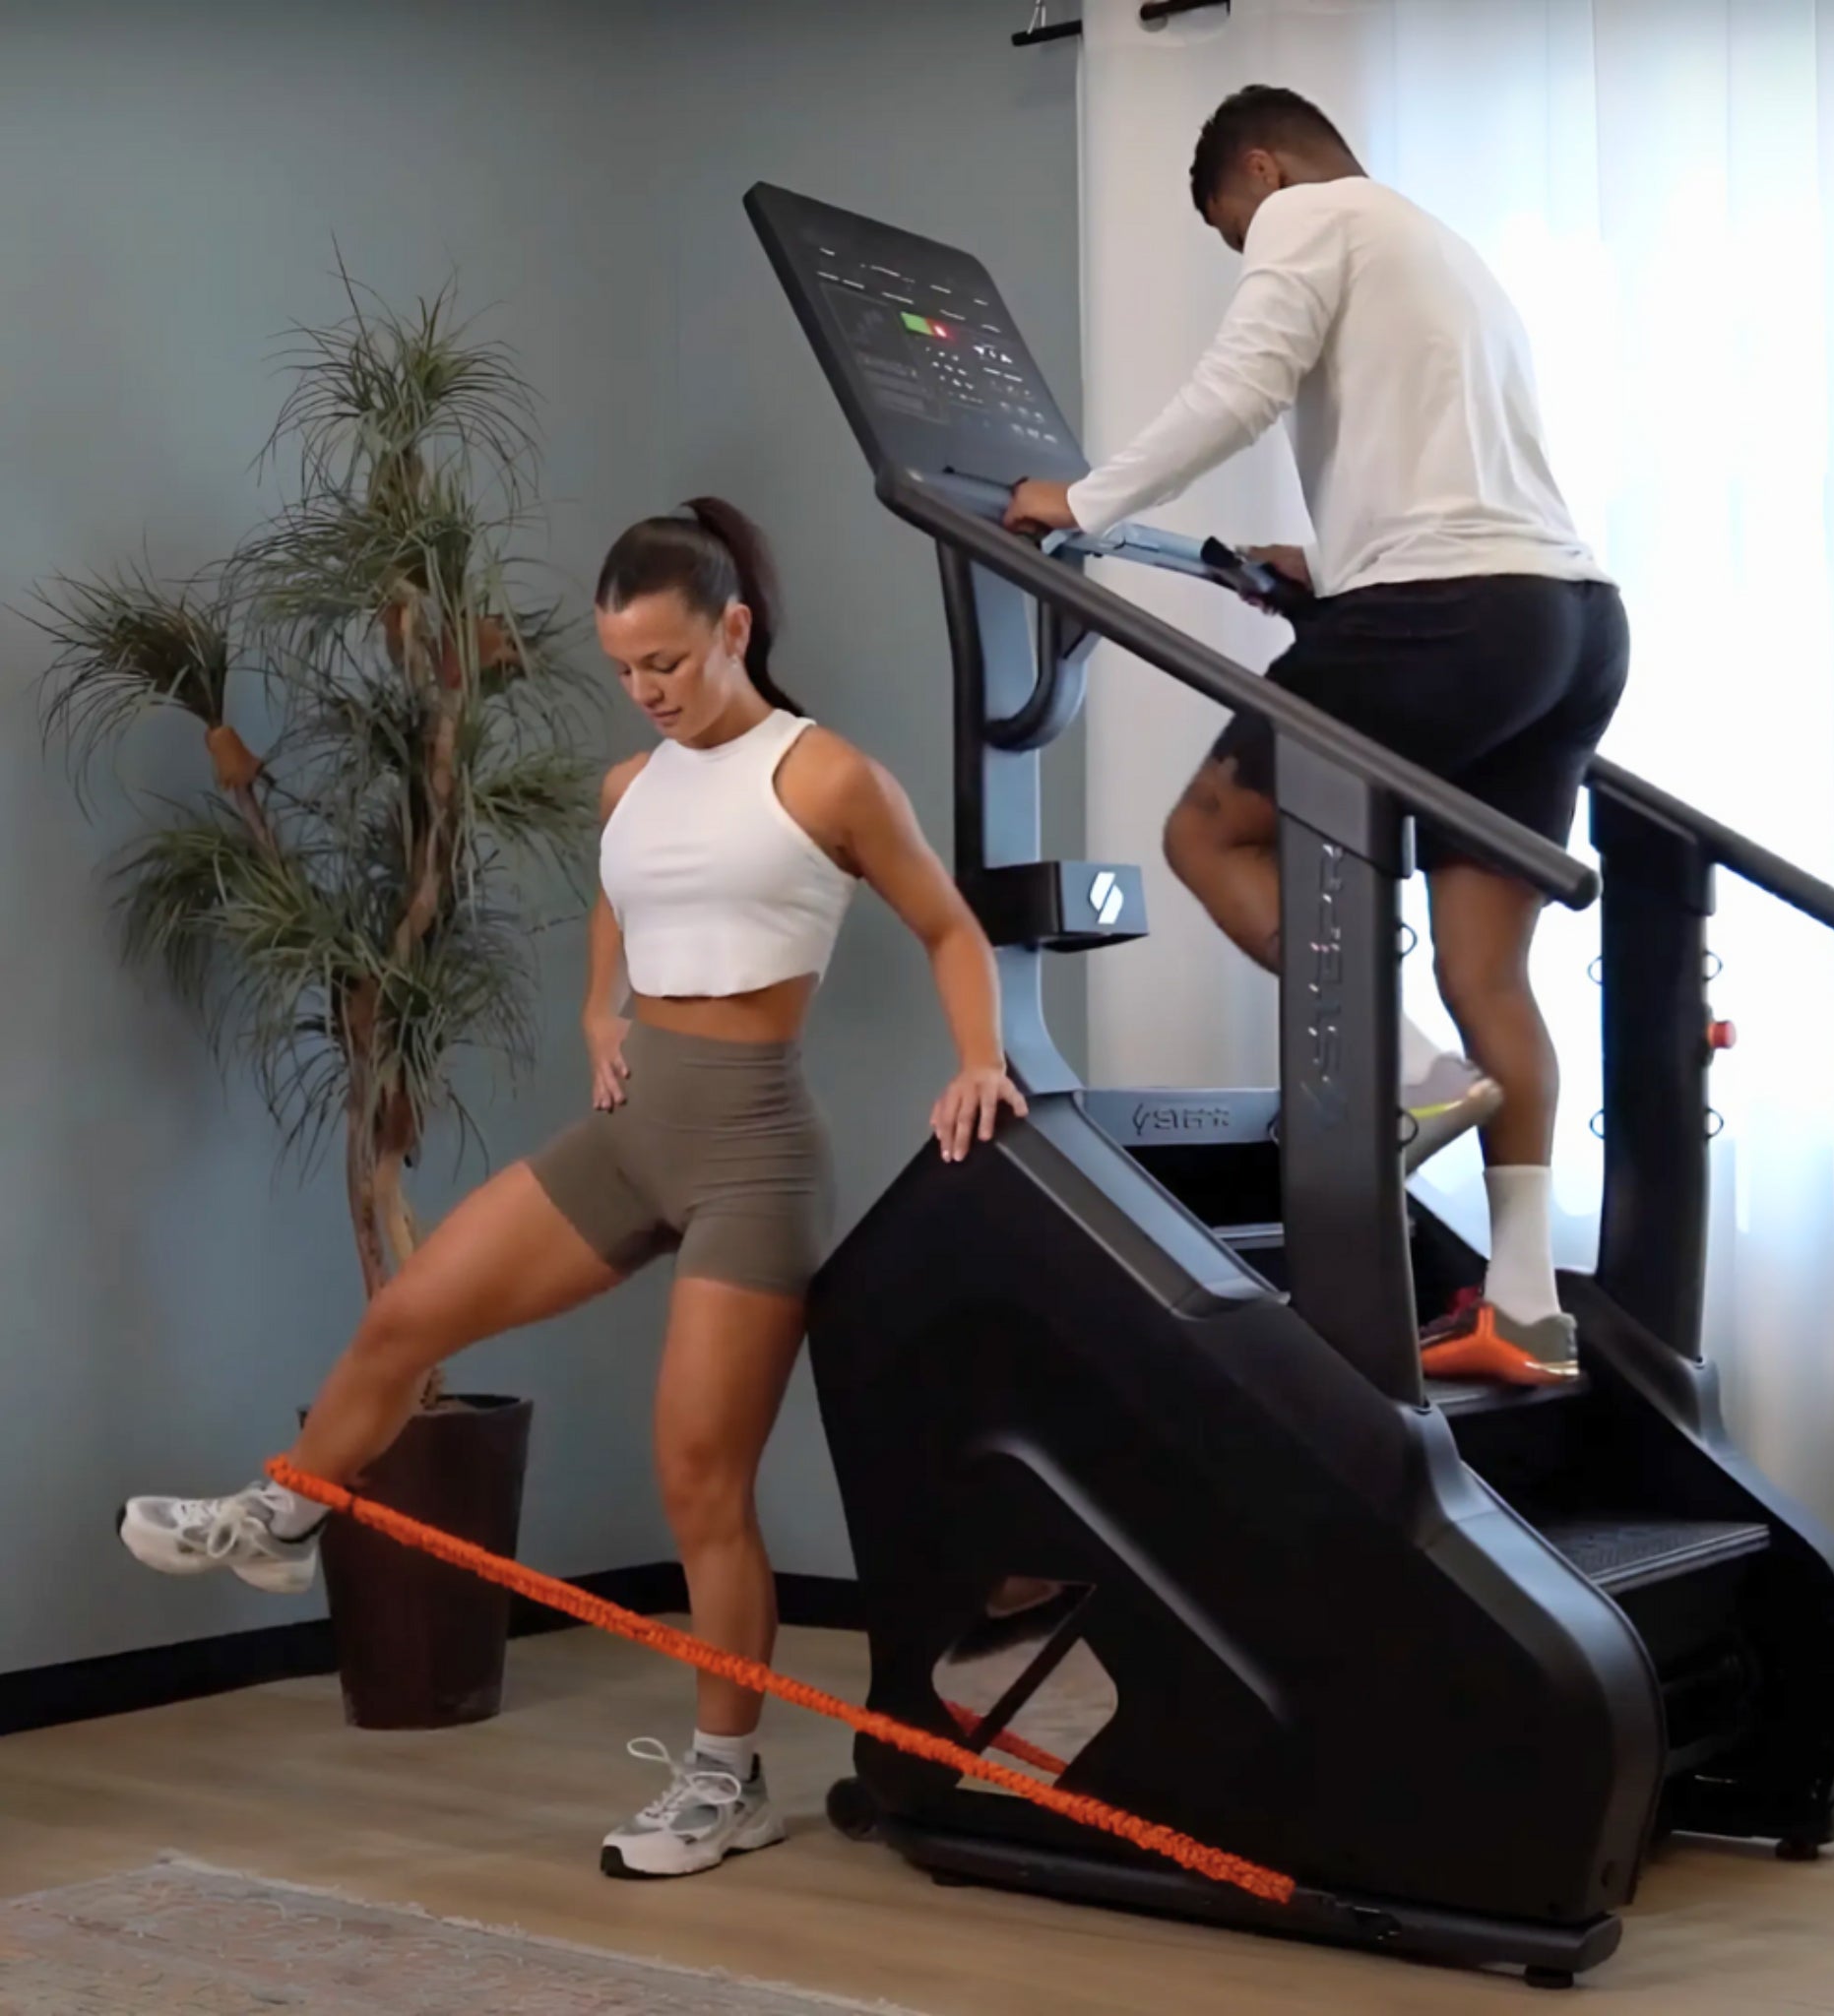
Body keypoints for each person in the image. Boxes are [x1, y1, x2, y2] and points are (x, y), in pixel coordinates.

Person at [118, 498, 1027, 1875]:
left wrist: (978, 1061)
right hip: (631, 1134)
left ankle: (728, 1782)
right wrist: (602, 1012)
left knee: (698, 1480)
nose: (647, 690)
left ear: (734, 629)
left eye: (667, 660)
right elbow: (620, 895)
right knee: (409, 1316)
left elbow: (949, 925)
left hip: (754, 1156)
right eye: (624, 670)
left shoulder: (826, 776)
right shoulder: (628, 786)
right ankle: (288, 1511)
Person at [1007, 86, 1628, 1387]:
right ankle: (1524, 1307)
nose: (1251, 251)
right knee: (1489, 970)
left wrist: (1083, 498)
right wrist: (1336, 571)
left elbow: (1239, 390)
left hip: (1451, 612)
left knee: (1206, 833)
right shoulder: (1437, 246)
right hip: (1564, 619)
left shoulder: (1309, 214)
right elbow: (1452, 478)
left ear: (1259, 163)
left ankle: (1408, 1078)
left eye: (1237, 227)